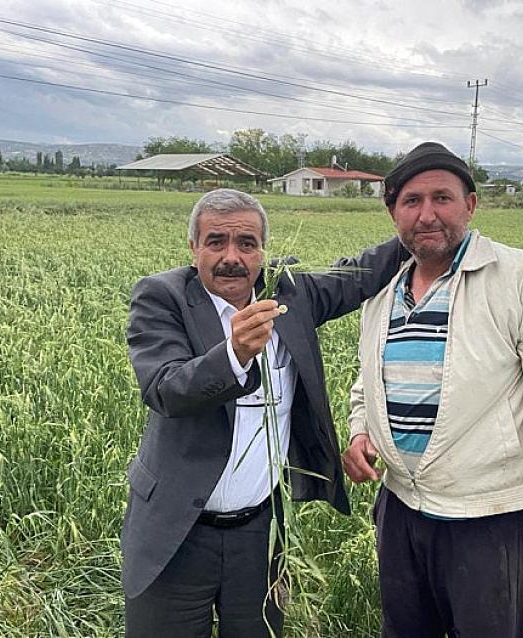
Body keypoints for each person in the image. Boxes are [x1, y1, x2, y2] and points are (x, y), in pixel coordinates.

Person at [342, 142, 523, 637]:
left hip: (486, 518)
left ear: (470, 205)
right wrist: (362, 430)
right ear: (393, 213)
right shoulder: (384, 288)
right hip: (400, 508)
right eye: (411, 201)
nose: (427, 215)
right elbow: (371, 376)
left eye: (442, 198)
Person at [122, 188, 406, 637]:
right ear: (193, 248)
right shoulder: (163, 298)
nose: (231, 256)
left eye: (246, 243)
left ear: (262, 251)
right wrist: (233, 354)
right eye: (216, 241)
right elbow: (166, 389)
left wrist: (419, 226)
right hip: (177, 532)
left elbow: (358, 275)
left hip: (259, 533)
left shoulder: (288, 291)